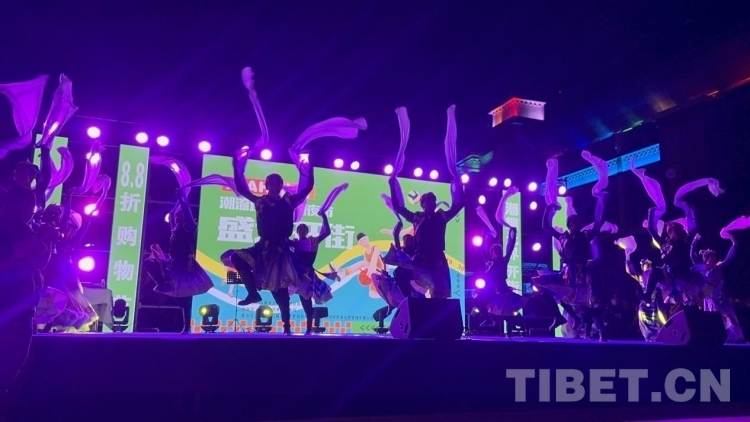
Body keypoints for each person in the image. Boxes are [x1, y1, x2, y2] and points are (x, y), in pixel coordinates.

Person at [230, 150, 313, 335]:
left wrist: (310, 167)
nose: (274, 185)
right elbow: (242, 189)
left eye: (277, 182)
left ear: (281, 185)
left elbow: (307, 188)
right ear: (266, 185)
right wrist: (236, 167)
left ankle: (287, 326)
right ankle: (253, 293)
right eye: (271, 182)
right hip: (263, 246)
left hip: (280, 248)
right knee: (237, 258)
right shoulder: (260, 202)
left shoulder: (289, 201)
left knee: (279, 291)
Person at [0, 187, 50, 399]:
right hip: (16, 304)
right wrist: (47, 238)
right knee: (13, 356)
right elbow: (40, 258)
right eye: (33, 206)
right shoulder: (17, 228)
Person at [388, 175, 463, 298]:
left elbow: (459, 205)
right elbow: (398, 207)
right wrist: (392, 185)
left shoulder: (441, 216)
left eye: (433, 201)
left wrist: (458, 184)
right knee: (401, 274)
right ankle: (408, 301)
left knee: (440, 291)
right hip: (420, 257)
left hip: (437, 257)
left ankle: (436, 307)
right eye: (428, 201)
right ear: (422, 204)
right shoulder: (417, 218)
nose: (431, 203)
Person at [37, 195, 98, 332]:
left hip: (59, 273)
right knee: (50, 307)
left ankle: (49, 330)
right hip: (49, 272)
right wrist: (68, 199)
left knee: (58, 309)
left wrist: (88, 220)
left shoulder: (62, 239)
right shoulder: (49, 231)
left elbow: (76, 235)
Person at [158, 194, 214, 333]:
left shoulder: (188, 227)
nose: (176, 217)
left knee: (186, 297)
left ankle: (187, 325)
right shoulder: (175, 228)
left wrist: (184, 200)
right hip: (174, 263)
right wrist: (179, 198)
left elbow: (187, 214)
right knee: (152, 263)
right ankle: (185, 323)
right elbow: (172, 214)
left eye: (179, 215)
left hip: (185, 264)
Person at [690, 233, 745, 343]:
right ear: (706, 258)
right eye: (712, 257)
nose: (714, 259)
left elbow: (729, 258)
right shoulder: (702, 268)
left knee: (726, 316)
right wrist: (694, 241)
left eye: (714, 257)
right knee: (713, 318)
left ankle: (732, 337)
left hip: (719, 297)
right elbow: (692, 255)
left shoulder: (718, 267)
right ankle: (715, 336)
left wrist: (734, 243)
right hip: (709, 298)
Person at [290, 212, 334, 334]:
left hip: (307, 276)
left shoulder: (312, 242)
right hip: (295, 276)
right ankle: (287, 326)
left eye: (304, 229)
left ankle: (309, 328)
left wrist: (324, 217)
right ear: (297, 231)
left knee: (306, 301)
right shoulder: (294, 243)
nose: (302, 231)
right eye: (300, 229)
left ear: (307, 231)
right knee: (282, 294)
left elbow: (326, 232)